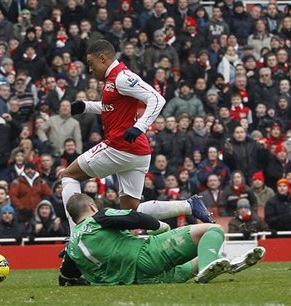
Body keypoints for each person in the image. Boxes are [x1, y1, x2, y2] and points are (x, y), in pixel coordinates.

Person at [62, 40, 213, 230]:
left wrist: (140, 126)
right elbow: (113, 108)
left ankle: (76, 234)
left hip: (120, 146)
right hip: (137, 151)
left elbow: (157, 98)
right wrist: (86, 106)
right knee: (130, 212)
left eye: (91, 64)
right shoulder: (113, 80)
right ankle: (189, 205)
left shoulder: (122, 78)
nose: (90, 70)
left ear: (103, 59)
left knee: (68, 176)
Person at [59, 194, 266, 286]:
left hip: (137, 281)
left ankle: (228, 264)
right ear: (92, 207)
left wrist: (81, 282)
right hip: (146, 256)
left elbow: (66, 279)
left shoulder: (71, 248)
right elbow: (134, 216)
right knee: (212, 230)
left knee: (193, 265)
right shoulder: (98, 217)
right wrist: (162, 228)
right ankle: (212, 264)